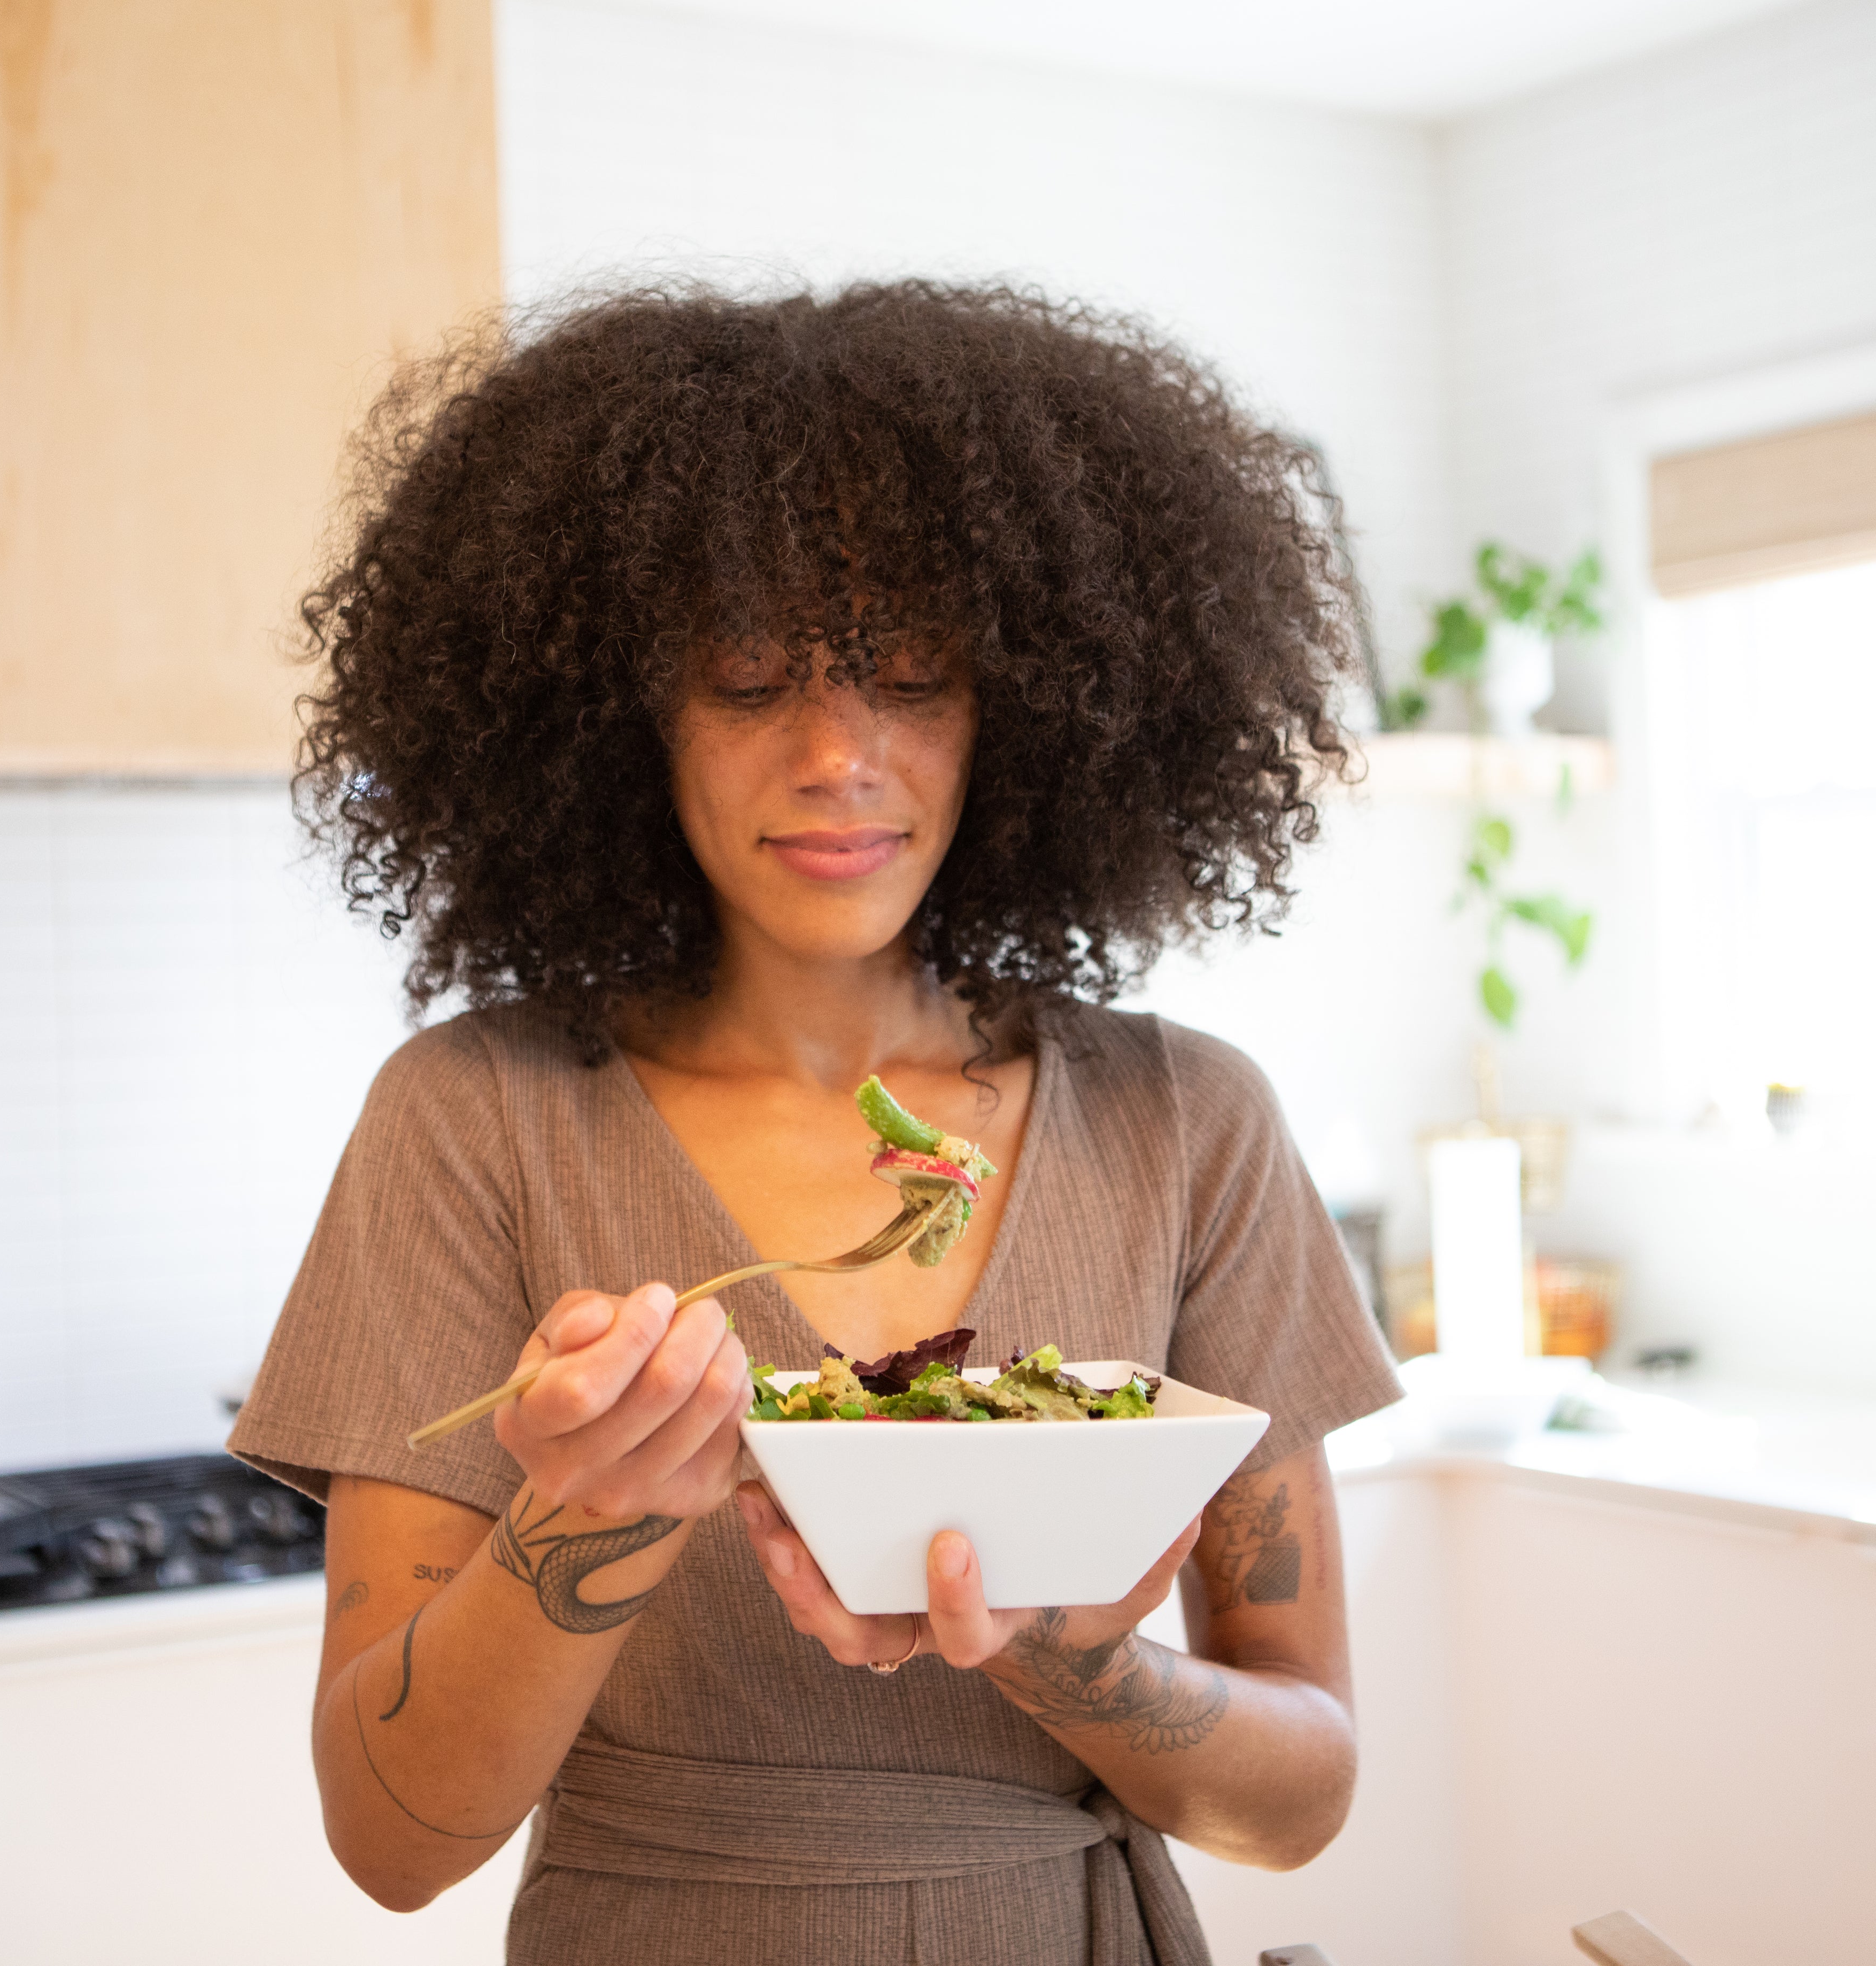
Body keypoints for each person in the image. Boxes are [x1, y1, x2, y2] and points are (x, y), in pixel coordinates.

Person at [228, 281, 1402, 1966]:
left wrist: (1058, 1651)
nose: (839, 753)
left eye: (913, 674)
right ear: (624, 708)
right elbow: (391, 1842)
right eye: (747, 676)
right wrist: (590, 1509)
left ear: (1028, 700)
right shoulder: (470, 1123)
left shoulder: (1187, 1121)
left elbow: (1297, 1800)